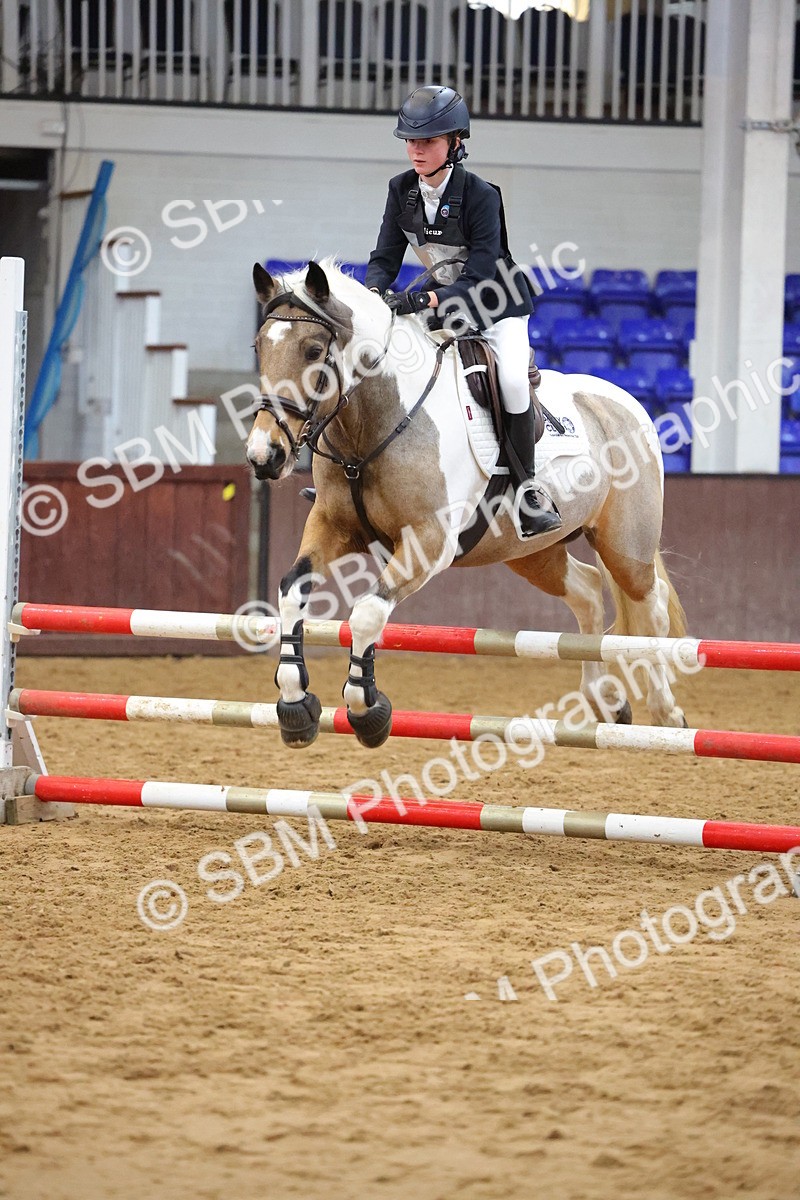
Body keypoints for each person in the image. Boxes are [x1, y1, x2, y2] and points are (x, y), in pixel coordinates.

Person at [365, 84, 561, 539]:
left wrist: (424, 300)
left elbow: (479, 274)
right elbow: (384, 258)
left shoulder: (482, 195)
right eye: (411, 141)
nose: (417, 151)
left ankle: (526, 490)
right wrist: (375, 296)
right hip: (441, 302)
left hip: (497, 304)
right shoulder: (400, 191)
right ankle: (362, 475)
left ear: (454, 143)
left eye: (428, 141)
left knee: (511, 378)